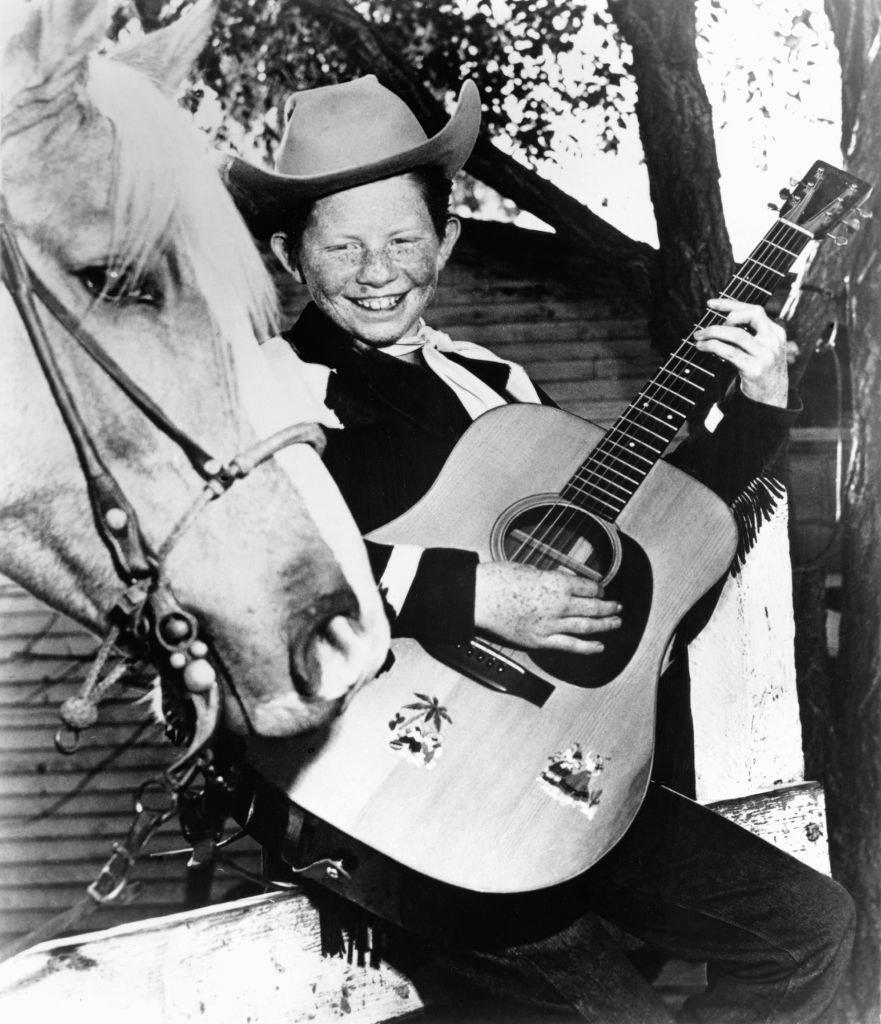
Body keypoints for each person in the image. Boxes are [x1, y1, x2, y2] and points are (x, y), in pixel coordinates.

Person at [222, 76, 854, 1023]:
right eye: (341, 244)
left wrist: (757, 415)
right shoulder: (260, 394)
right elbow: (249, 572)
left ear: (446, 240)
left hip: (542, 759)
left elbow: (646, 539)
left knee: (806, 924)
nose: (377, 270)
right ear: (287, 253)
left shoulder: (493, 382)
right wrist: (466, 592)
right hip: (384, 785)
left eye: (402, 239)